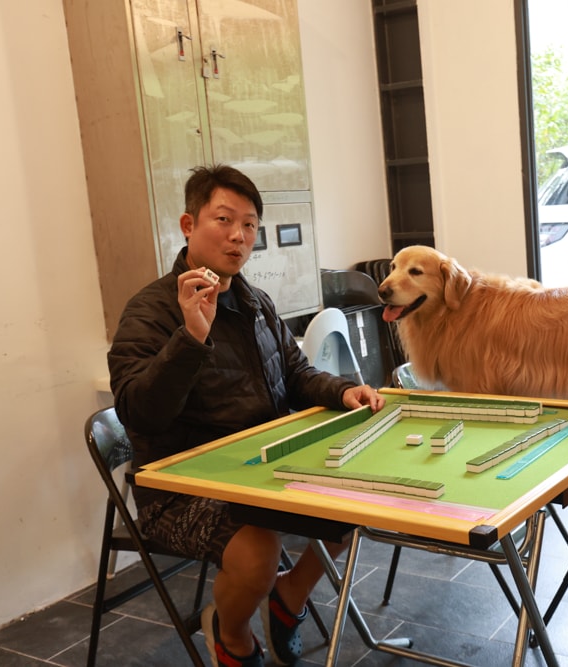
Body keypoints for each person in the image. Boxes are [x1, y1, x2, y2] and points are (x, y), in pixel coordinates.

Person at [108, 164, 385, 667]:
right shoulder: (149, 311)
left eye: (250, 225)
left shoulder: (256, 302)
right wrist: (190, 337)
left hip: (259, 468)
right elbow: (140, 414)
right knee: (257, 554)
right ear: (188, 225)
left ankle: (289, 597)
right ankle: (232, 635)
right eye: (223, 220)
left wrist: (345, 391)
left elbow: (298, 374)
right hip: (181, 489)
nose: (238, 236)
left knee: (363, 496)